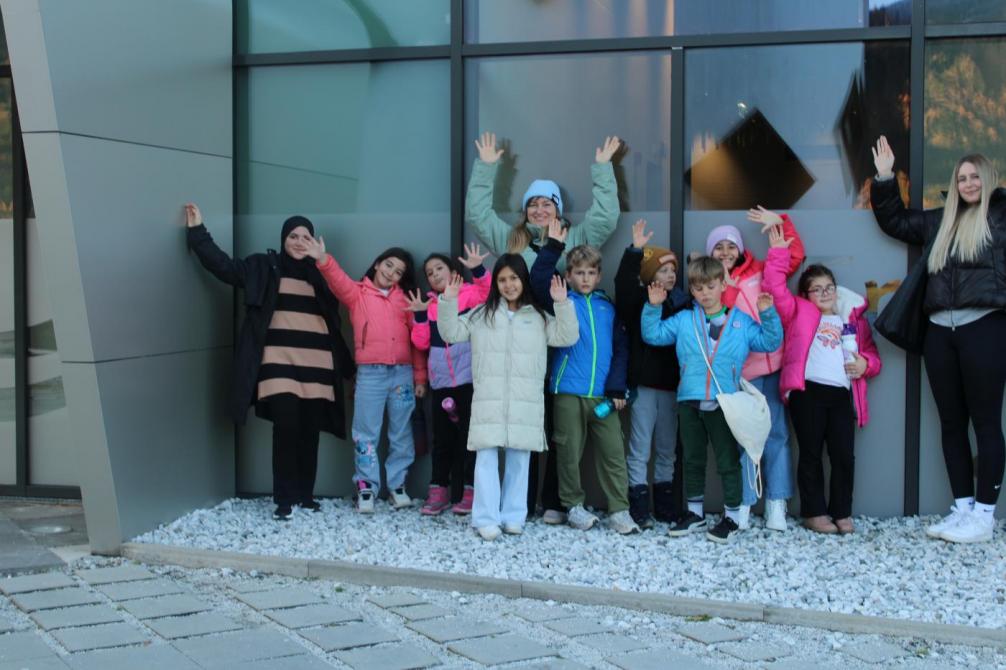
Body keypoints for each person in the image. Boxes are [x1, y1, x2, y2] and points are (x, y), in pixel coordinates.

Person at [466, 131, 623, 523]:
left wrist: (603, 170)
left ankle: (554, 501)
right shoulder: (512, 239)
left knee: (559, 426)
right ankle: (523, 503)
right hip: (519, 342)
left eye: (546, 203)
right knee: (525, 420)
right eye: (533, 204)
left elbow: (605, 217)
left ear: (557, 208)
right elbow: (478, 216)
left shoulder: (575, 237)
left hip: (566, 344)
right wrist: (486, 169)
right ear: (525, 211)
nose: (539, 210)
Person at [871, 136, 1006, 543]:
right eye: (961, 177)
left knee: (985, 422)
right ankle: (962, 508)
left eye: (973, 177)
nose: (967, 184)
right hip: (939, 334)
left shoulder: (1001, 216)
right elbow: (895, 221)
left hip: (985, 327)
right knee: (950, 423)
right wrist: (884, 177)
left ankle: (984, 516)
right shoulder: (941, 221)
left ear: (987, 179)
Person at [183, 203, 354, 521]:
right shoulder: (264, 266)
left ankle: (305, 496)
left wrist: (324, 262)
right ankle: (284, 498)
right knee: (286, 428)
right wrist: (197, 232)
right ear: (283, 239)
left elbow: (348, 297)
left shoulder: (322, 274)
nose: (299, 241)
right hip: (278, 365)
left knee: (309, 432)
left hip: (317, 368)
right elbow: (225, 268)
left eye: (306, 236)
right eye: (293, 235)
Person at [437, 256, 579, 541]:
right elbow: (450, 332)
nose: (508, 284)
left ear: (523, 280)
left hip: (525, 399)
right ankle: (485, 519)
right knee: (486, 459)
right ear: (495, 284)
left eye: (514, 278)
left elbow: (567, 336)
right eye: (502, 279)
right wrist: (448, 301)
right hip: (489, 399)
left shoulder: (538, 316)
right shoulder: (481, 314)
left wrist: (562, 304)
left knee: (520, 459)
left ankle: (514, 517)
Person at [642, 257, 782, 543]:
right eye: (698, 288)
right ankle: (695, 513)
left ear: (722, 285)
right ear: (692, 291)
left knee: (727, 460)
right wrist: (653, 306)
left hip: (725, 402)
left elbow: (770, 343)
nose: (704, 293)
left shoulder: (741, 322)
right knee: (692, 459)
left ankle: (731, 517)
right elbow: (653, 335)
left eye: (710, 286)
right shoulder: (684, 319)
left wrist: (767, 314)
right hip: (690, 400)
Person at [762, 226, 882, 534]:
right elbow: (774, 288)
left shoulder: (850, 319)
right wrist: (777, 254)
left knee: (843, 454)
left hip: (841, 395)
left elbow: (873, 357)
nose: (826, 293)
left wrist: (864, 363)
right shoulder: (798, 311)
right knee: (811, 453)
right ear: (806, 294)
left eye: (830, 287)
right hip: (808, 392)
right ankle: (814, 512)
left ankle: (842, 511)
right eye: (818, 288)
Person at [304, 237, 427, 514]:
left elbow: (417, 343)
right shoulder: (358, 294)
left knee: (401, 433)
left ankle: (397, 485)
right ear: (377, 264)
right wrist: (323, 259)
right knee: (365, 434)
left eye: (398, 272)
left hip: (402, 375)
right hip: (370, 374)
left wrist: (420, 378)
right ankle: (366, 487)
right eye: (388, 265)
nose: (391, 273)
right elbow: (338, 281)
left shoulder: (405, 300)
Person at [529, 220, 638, 534]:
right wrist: (552, 246)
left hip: (604, 396)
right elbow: (537, 279)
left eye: (591, 273)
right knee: (568, 453)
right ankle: (573, 507)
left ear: (599, 275)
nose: (585, 278)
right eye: (579, 272)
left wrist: (618, 388)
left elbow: (621, 350)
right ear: (569, 275)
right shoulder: (562, 301)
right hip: (568, 392)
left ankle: (620, 511)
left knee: (614, 454)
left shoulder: (608, 307)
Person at [705, 209, 805, 531]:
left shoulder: (759, 271)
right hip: (738, 374)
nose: (725, 253)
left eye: (730, 246)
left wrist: (781, 223)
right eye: (718, 248)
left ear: (740, 248)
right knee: (745, 439)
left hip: (771, 365)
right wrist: (725, 288)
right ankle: (745, 503)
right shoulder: (709, 285)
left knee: (775, 435)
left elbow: (793, 255)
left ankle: (776, 503)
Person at [406, 244, 492, 516]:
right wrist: (419, 316)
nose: (434, 275)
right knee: (442, 440)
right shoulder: (429, 305)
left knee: (469, 438)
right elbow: (420, 343)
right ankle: (438, 491)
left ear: (454, 271)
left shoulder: (469, 295)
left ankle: (469, 491)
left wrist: (478, 268)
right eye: (429, 273)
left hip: (468, 380)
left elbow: (489, 293)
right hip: (440, 382)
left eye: (439, 268)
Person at [615, 220, 690, 529]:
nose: (670, 275)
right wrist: (634, 251)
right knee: (639, 447)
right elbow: (623, 284)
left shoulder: (684, 303)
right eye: (663, 270)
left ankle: (666, 507)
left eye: (673, 270)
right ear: (649, 276)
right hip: (645, 388)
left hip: (673, 388)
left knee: (666, 449)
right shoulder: (638, 302)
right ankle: (639, 507)